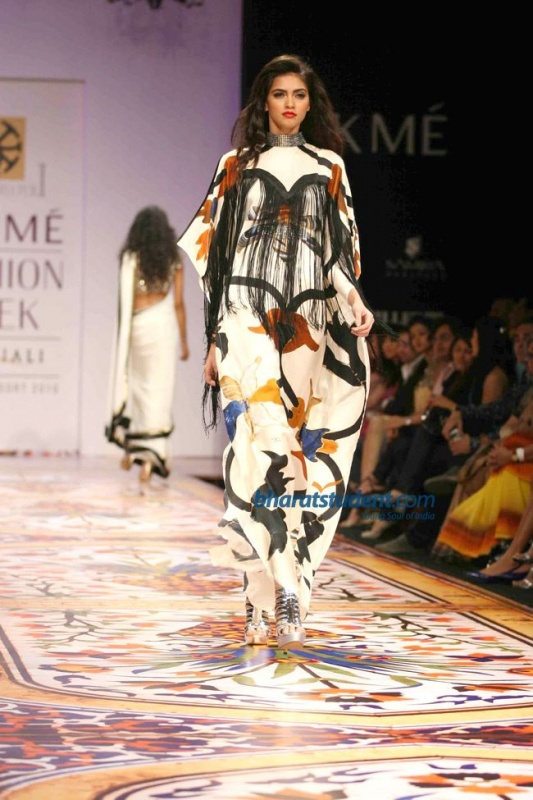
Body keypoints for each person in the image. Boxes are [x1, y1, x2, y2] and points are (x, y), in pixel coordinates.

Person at [178, 54, 374, 649]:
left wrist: (355, 300)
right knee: (257, 446)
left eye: (299, 95)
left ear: (311, 104)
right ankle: (284, 588)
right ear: (264, 99)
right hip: (245, 319)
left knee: (292, 460)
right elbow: (220, 257)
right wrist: (216, 340)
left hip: (307, 328)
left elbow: (336, 254)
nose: (290, 104)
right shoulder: (235, 165)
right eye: (280, 93)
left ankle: (259, 594)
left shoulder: (330, 166)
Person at [106, 206, 189, 486]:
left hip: (139, 327)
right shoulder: (173, 259)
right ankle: (152, 453)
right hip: (163, 328)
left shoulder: (132, 257)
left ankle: (136, 450)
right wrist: (185, 342)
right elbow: (178, 303)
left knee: (139, 389)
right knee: (159, 391)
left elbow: (126, 300)